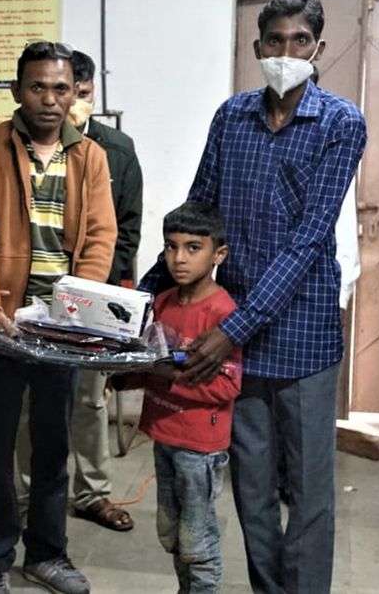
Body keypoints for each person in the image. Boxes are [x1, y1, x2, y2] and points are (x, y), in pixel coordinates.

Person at [141, 0, 367, 593]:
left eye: (299, 41)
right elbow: (199, 211)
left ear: (318, 48)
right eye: (274, 40)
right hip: (234, 338)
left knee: (311, 491)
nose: (285, 52)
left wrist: (231, 330)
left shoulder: (342, 123)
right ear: (256, 46)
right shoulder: (231, 117)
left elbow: (310, 238)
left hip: (300, 336)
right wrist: (143, 295)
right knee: (252, 485)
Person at [0, 41, 117, 594]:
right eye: (38, 87)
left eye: (60, 88)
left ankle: (47, 554)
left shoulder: (90, 157)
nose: (50, 99)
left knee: (53, 443)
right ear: (17, 91)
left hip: (62, 327)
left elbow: (100, 237)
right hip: (1, 323)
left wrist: (79, 309)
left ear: (75, 93)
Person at [13, 49, 143, 533]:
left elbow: (125, 226)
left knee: (89, 401)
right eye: (45, 89)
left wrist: (104, 290)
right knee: (33, 405)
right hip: (31, 303)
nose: (65, 103)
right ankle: (28, 497)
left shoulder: (115, 150)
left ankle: (92, 493)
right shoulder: (12, 147)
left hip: (92, 300)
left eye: (79, 94)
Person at [112, 201, 242, 593]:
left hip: (199, 449)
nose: (179, 258)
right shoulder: (163, 304)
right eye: (171, 246)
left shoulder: (223, 311)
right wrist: (128, 377)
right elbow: (152, 363)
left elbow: (228, 385)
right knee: (172, 533)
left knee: (197, 540)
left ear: (218, 254)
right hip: (165, 438)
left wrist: (164, 376)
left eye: (192, 248)